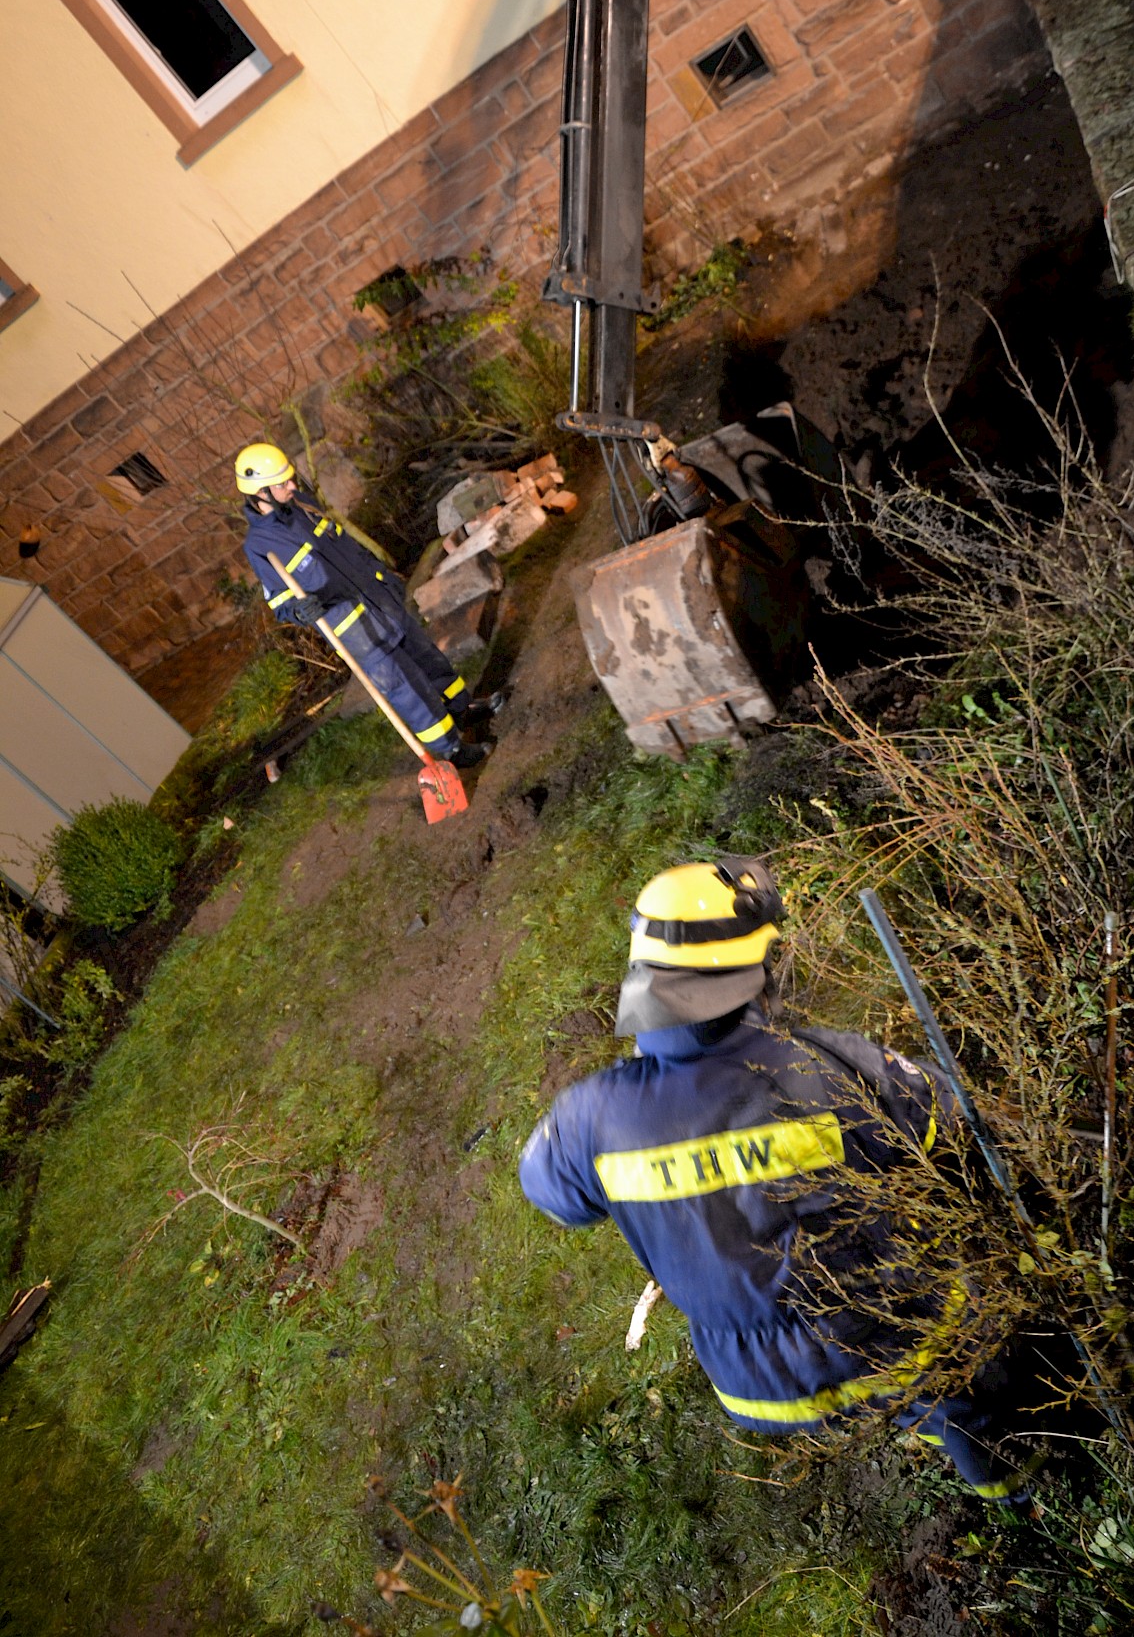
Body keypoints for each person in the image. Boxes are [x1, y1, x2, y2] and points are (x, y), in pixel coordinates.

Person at [519, 858, 1037, 1504]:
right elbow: (947, 1120)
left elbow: (554, 1196)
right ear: (747, 977)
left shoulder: (588, 1120)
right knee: (958, 1396)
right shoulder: (832, 1064)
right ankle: (1015, 1495)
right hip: (889, 1334)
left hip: (760, 1388)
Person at [236, 443, 500, 768]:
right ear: (258, 493)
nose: (292, 485)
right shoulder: (260, 546)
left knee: (430, 660)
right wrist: (300, 611)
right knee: (410, 692)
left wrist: (382, 576)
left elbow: (345, 546)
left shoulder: (303, 504)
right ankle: (452, 750)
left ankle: (464, 709)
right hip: (357, 630)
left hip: (382, 602)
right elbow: (280, 604)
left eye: (290, 478)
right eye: (281, 483)